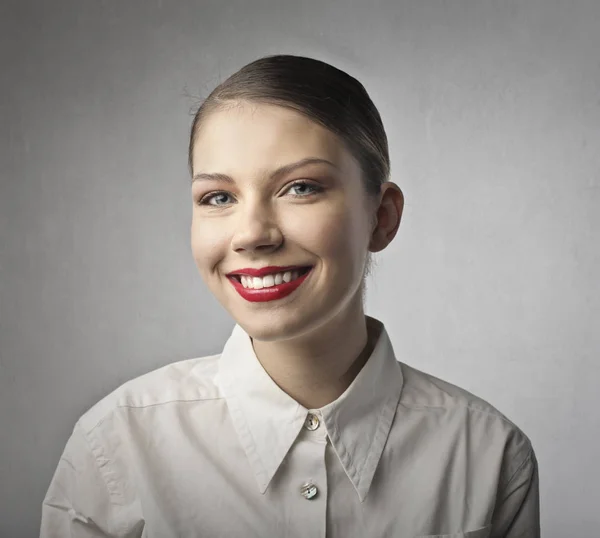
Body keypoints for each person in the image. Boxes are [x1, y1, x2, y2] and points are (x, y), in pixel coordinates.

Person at [40, 55, 540, 538]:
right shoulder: (115, 446)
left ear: (381, 216)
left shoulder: (490, 456)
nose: (252, 234)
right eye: (219, 197)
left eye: (300, 188)